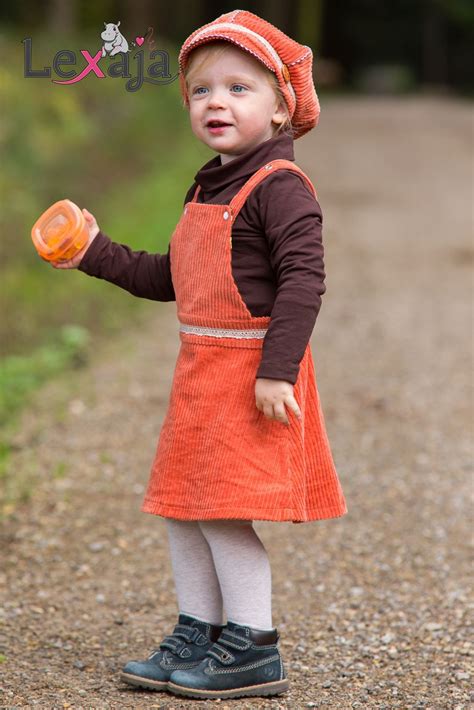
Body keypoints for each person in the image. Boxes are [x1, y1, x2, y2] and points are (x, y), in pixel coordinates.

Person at [48, 9, 348, 701]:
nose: (216, 101)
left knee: (223, 510)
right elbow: (171, 278)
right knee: (184, 504)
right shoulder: (207, 184)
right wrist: (95, 253)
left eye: (239, 89)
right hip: (200, 374)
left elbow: (305, 282)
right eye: (202, 90)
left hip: (251, 373)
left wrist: (277, 370)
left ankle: (253, 645)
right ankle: (201, 628)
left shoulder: (280, 189)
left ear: (281, 109)